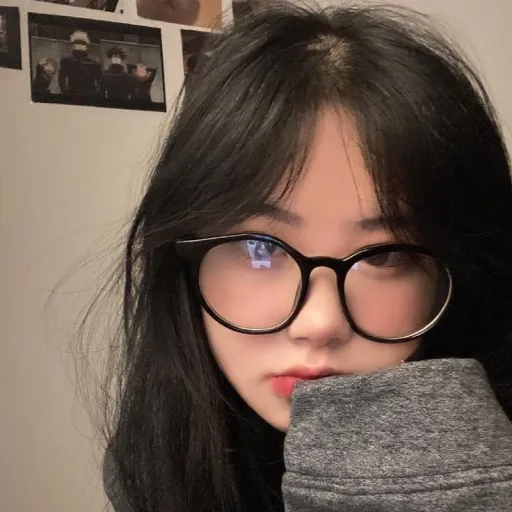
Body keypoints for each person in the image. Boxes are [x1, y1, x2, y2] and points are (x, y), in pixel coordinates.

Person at [79, 2, 512, 511]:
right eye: (259, 247)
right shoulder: (154, 463)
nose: (319, 323)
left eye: (385, 256)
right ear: (182, 258)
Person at [58, 30, 102, 97]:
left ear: (85, 47)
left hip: (88, 94)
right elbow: (61, 79)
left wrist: (96, 93)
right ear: (74, 45)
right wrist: (65, 91)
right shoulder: (66, 61)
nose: (80, 46)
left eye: (82, 44)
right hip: (73, 93)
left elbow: (100, 80)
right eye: (78, 43)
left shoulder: (94, 64)